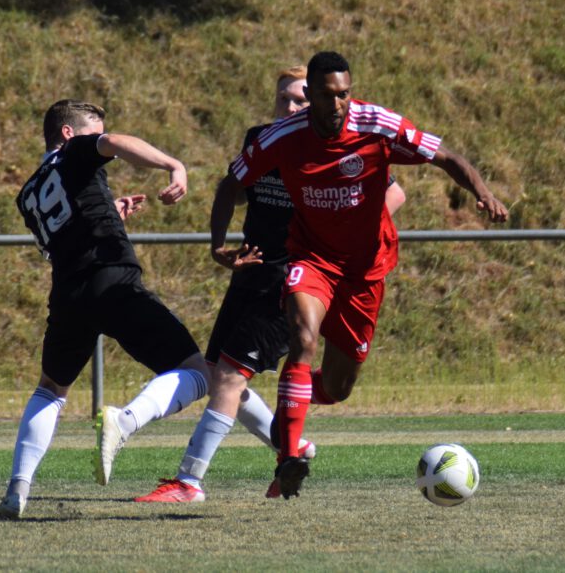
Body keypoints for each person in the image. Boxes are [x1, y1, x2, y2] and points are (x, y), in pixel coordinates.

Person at [228, 51, 509, 499]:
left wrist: (483, 192)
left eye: (344, 94)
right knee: (302, 339)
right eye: (326, 95)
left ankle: (289, 405)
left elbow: (446, 156)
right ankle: (288, 458)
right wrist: (216, 244)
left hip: (366, 271)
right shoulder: (285, 136)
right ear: (312, 94)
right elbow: (231, 181)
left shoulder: (377, 124)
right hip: (312, 259)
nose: (337, 103)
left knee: (339, 387)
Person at [135, 67, 407, 503]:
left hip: (295, 274)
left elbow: (393, 192)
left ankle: (189, 481)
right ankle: (292, 446)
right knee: (222, 375)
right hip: (250, 271)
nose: (293, 107)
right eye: (285, 99)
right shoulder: (264, 139)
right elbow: (239, 191)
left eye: (301, 100)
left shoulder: (328, 142)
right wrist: (225, 231)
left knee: (229, 376)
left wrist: (352, 228)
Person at [0, 100, 210, 520]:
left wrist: (112, 213)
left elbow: (67, 231)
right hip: (111, 279)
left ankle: (16, 492)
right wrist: (173, 165)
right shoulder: (76, 151)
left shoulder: (28, 193)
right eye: (92, 132)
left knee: (50, 390)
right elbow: (115, 143)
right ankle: (123, 422)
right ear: (69, 134)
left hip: (69, 292)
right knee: (199, 370)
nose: (99, 138)